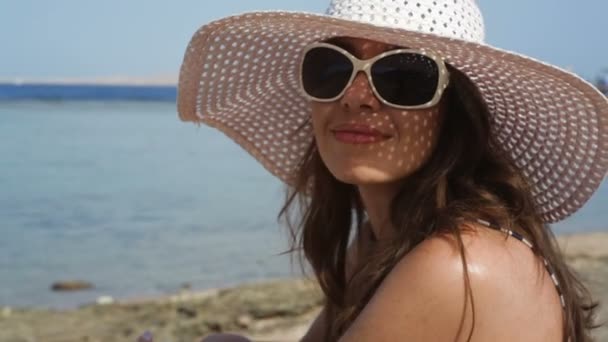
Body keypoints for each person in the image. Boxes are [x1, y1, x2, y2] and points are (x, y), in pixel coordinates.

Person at [176, 0, 608, 341]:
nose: (356, 97)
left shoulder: (455, 266)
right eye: (331, 69)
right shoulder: (383, 241)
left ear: (455, 111)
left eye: (402, 77)